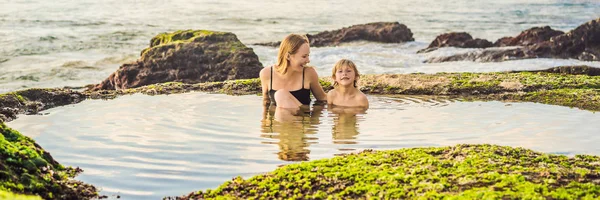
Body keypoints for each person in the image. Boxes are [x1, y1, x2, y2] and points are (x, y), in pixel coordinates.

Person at [259, 34, 327, 109]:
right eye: (304, 56)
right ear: (288, 56)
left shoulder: (309, 73)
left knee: (281, 94)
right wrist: (265, 120)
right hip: (278, 119)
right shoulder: (267, 73)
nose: (308, 60)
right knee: (280, 95)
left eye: (308, 55)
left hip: (301, 119)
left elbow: (322, 98)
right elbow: (266, 102)